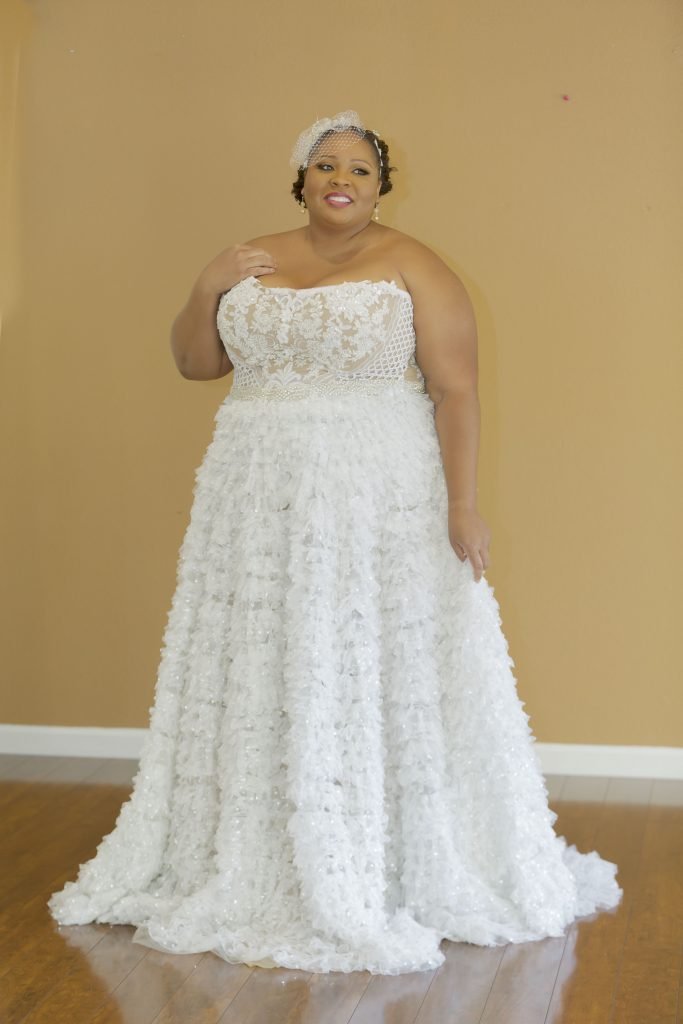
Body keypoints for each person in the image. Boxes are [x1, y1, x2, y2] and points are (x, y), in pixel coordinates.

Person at [48, 110, 622, 975]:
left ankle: (373, 850)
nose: (340, 178)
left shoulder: (415, 264)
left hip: (373, 488)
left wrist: (462, 505)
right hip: (253, 488)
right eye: (325, 165)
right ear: (301, 179)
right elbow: (196, 364)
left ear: (381, 185)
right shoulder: (250, 258)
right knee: (264, 651)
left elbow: (456, 390)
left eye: (358, 167)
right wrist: (205, 286)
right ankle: (251, 849)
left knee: (355, 651)